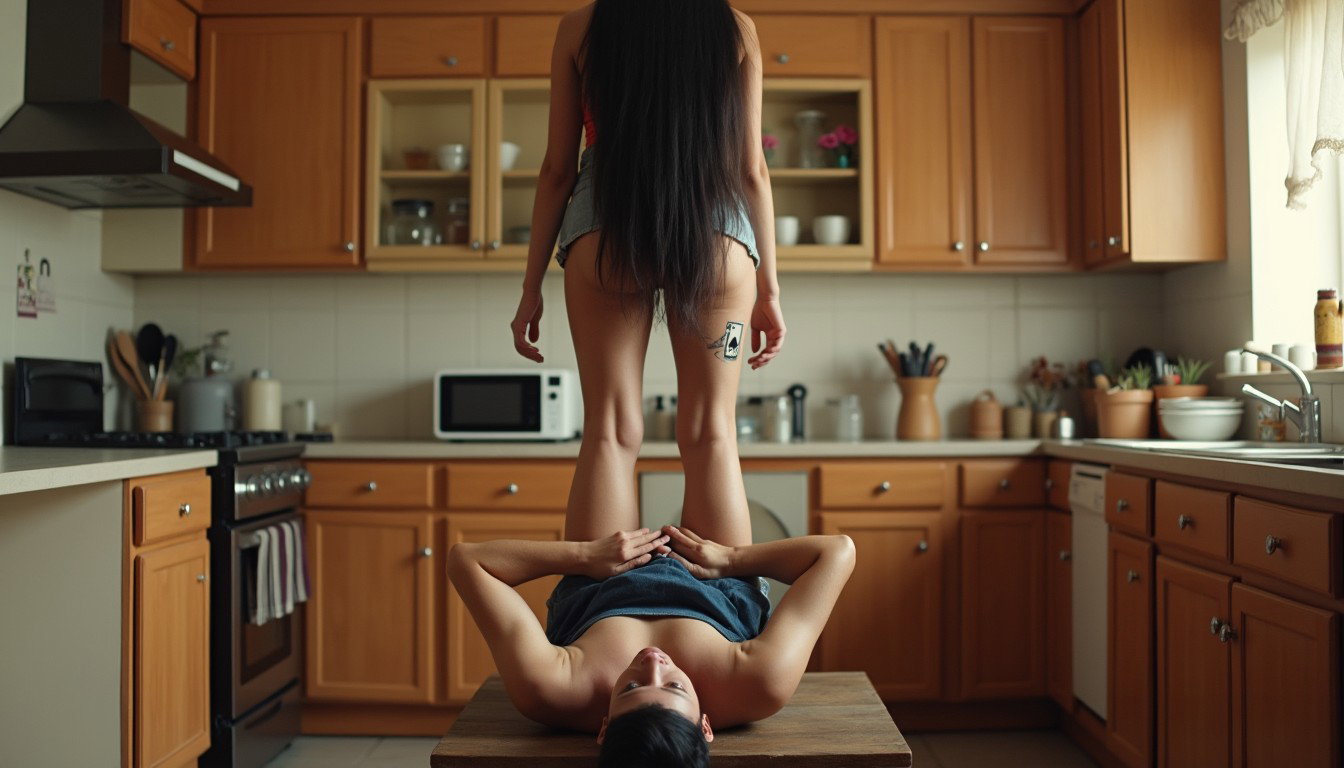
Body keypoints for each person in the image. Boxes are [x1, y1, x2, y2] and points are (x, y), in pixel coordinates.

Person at [447, 0, 854, 762]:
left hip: (603, 226)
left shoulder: (582, 25)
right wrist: (769, 288)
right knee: (710, 432)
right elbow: (751, 168)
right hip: (721, 233)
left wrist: (531, 284)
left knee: (610, 430)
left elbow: (555, 170)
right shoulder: (733, 26)